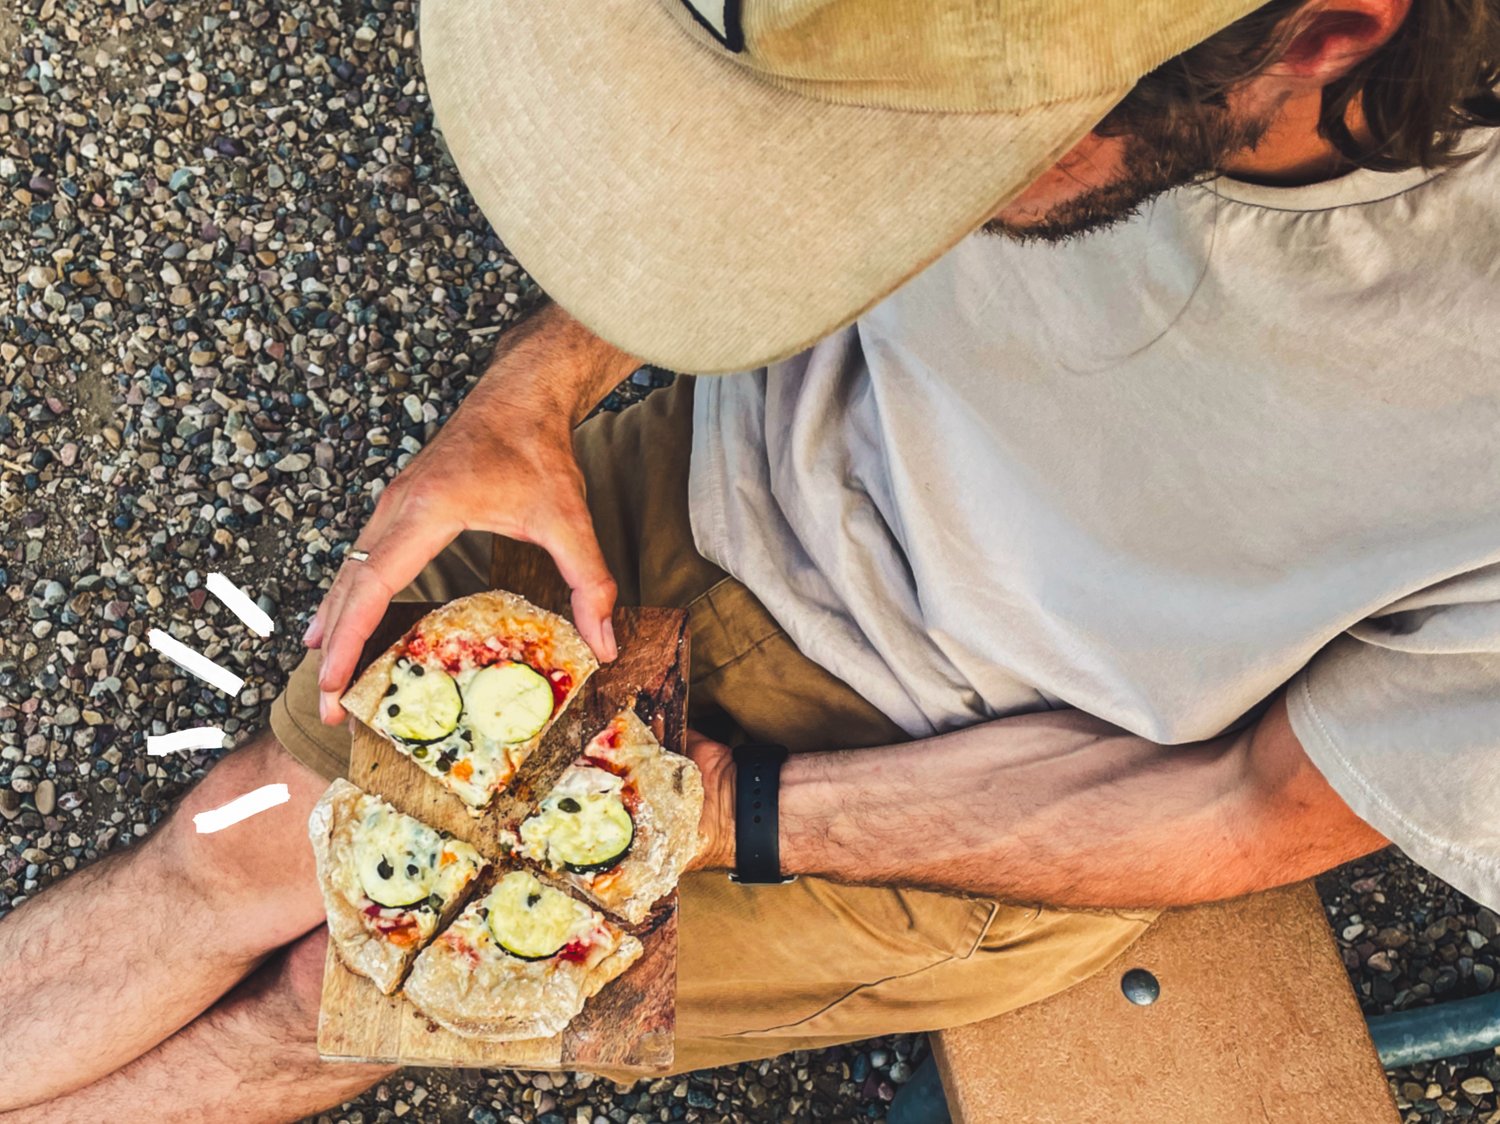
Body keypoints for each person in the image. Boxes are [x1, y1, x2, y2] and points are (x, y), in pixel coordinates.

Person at [4, 0, 1500, 1119]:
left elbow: (1247, 815)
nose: (899, 189)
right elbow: (788, 160)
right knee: (238, 847)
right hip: (714, 480)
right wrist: (528, 395)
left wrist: (716, 812)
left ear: (1331, 31)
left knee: (336, 992)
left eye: (963, 155)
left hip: (958, 787)